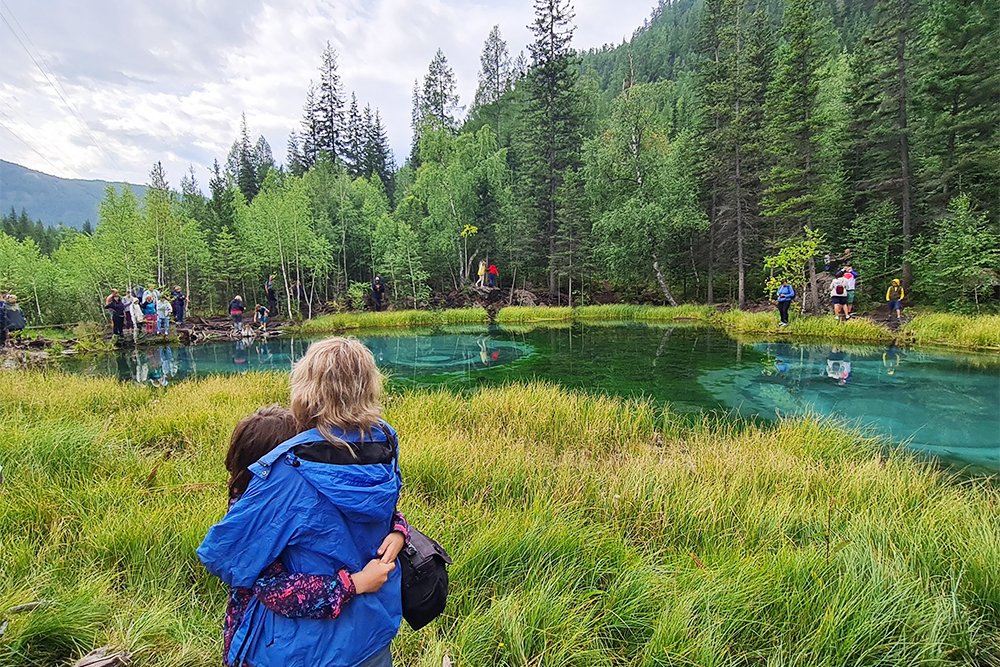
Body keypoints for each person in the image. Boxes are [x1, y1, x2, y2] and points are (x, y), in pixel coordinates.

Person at [198, 337, 409, 667]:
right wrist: (399, 531)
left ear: (307, 389)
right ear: (369, 386)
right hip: (372, 633)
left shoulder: (289, 471)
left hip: (309, 648)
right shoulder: (383, 443)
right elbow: (377, 509)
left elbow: (228, 557)